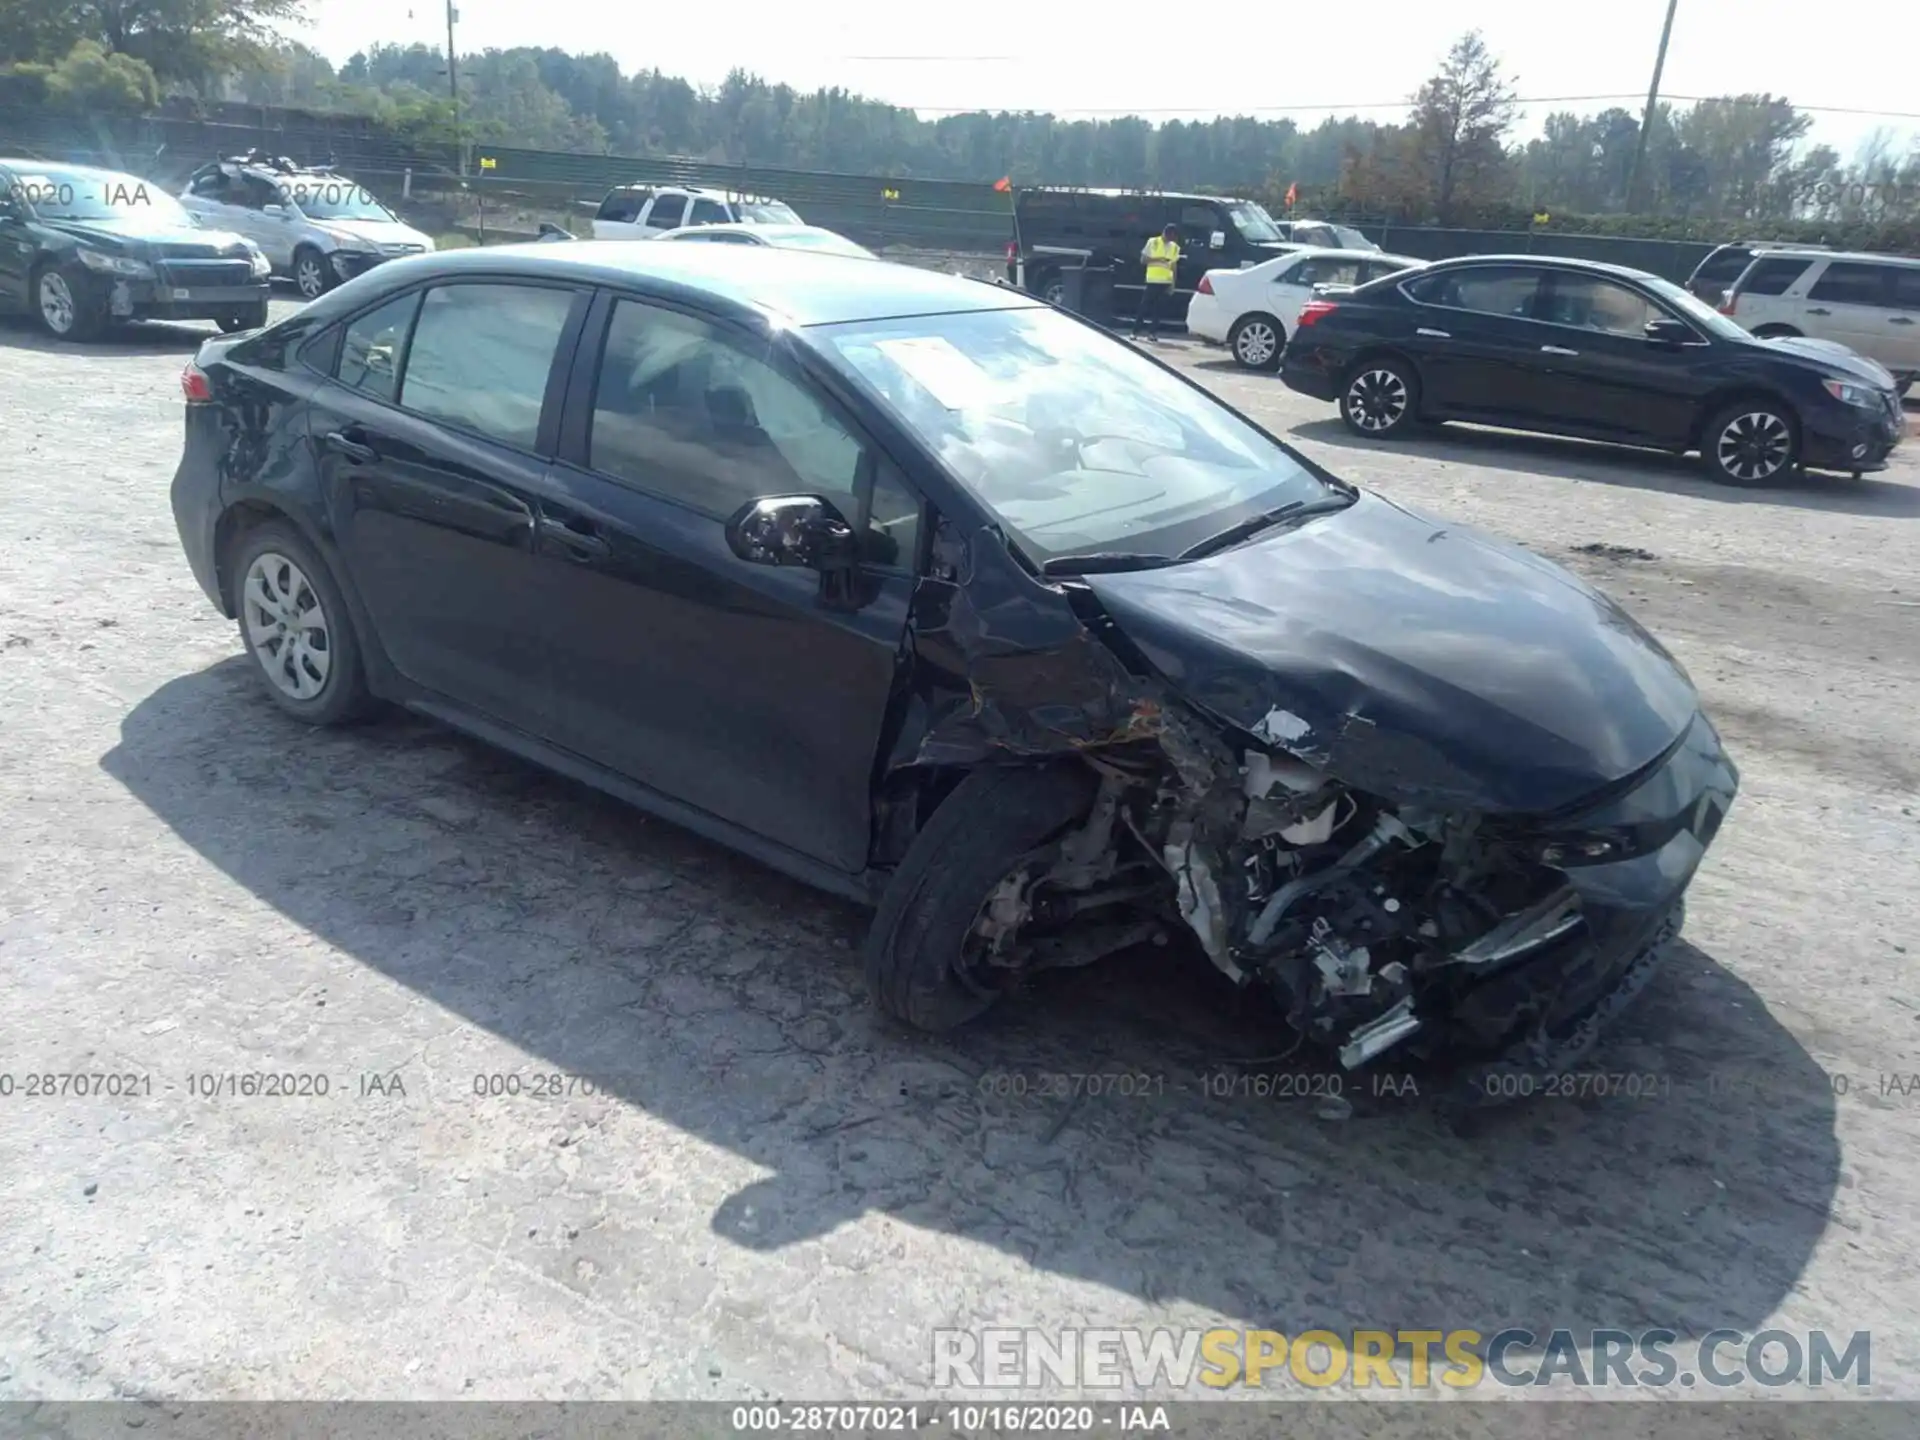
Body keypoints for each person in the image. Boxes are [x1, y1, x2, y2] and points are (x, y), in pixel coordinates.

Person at [1133, 223, 1181, 342]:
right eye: (1170, 236)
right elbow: (1143, 260)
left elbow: (1174, 266)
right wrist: (1158, 259)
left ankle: (1152, 333)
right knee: (1144, 307)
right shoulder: (1153, 242)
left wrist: (1173, 284)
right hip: (1152, 280)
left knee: (1158, 310)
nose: (1171, 240)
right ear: (1165, 233)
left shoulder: (1174, 247)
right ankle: (1135, 331)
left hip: (1165, 281)